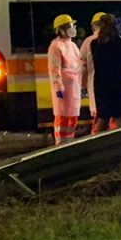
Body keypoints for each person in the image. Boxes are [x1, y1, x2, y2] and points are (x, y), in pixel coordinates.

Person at [87, 14, 121, 132]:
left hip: (102, 86)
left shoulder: (94, 44)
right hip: (120, 85)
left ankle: (99, 146)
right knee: (120, 120)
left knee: (103, 119)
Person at [48, 14, 83, 144]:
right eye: (69, 26)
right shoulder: (55, 46)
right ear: (61, 29)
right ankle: (60, 143)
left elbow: (79, 65)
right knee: (62, 117)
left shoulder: (73, 45)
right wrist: (58, 86)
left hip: (74, 88)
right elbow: (54, 69)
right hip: (64, 88)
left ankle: (69, 141)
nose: (72, 28)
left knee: (72, 116)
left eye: (72, 26)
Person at [79, 11, 108, 127]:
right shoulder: (118, 39)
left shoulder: (88, 42)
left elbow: (82, 67)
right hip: (116, 90)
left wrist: (82, 86)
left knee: (100, 120)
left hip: (96, 86)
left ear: (93, 26)